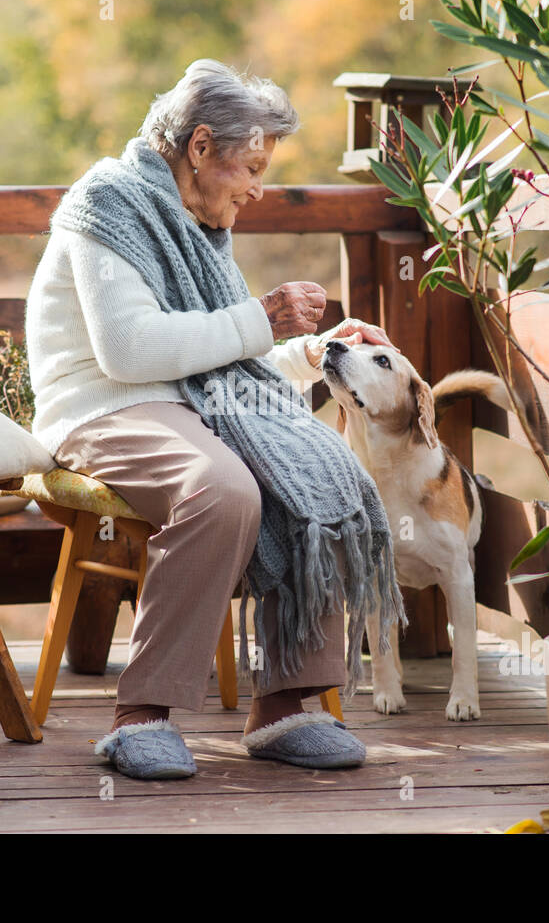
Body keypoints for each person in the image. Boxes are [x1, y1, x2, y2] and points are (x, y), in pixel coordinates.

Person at [26, 58, 405, 780]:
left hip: (191, 403)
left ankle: (288, 705)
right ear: (200, 147)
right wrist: (261, 319)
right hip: (103, 405)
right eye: (252, 166)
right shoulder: (107, 204)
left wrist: (319, 351)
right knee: (223, 490)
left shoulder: (198, 225)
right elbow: (131, 351)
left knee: (320, 470)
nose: (260, 187)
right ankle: (142, 716)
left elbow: (226, 356)